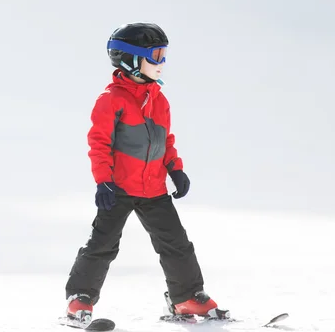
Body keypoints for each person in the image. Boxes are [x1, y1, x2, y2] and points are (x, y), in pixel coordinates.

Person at [64, 23, 223, 325]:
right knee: (103, 244)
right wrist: (103, 181)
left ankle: (186, 298)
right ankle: (79, 299)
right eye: (155, 56)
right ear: (130, 60)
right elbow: (98, 144)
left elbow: (166, 140)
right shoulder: (112, 100)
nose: (162, 63)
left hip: (153, 189)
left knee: (176, 243)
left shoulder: (159, 100)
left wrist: (175, 168)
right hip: (119, 188)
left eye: (164, 55)